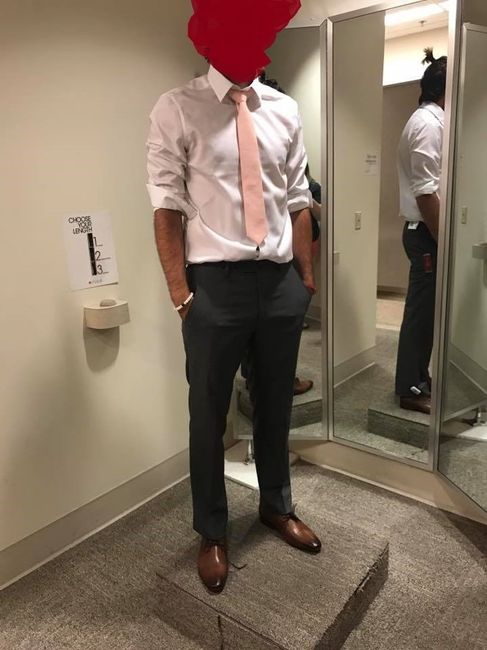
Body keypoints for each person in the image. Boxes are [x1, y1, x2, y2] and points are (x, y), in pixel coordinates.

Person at [147, 0, 321, 595]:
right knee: (208, 413)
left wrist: (305, 280)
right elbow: (166, 206)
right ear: (211, 36)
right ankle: (213, 530)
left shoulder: (284, 110)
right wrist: (182, 296)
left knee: (275, 403)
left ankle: (276, 505)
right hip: (213, 286)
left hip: (279, 283)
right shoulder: (178, 107)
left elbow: (297, 198)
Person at [395, 48, 447, 415]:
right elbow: (426, 192)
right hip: (426, 233)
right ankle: (410, 388)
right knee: (420, 314)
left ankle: (419, 377)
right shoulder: (428, 124)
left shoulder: (433, 120)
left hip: (428, 231)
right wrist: (445, 241)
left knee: (426, 313)